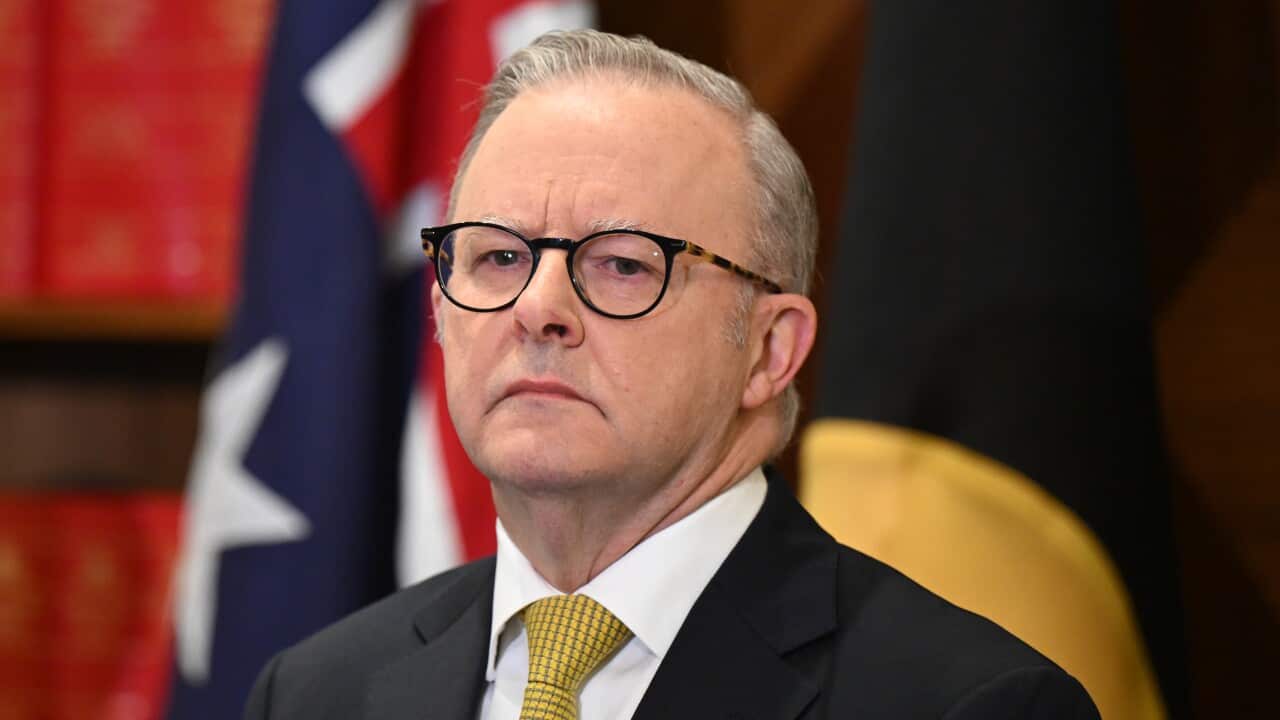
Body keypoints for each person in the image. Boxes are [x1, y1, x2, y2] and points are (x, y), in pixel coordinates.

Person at [243, 29, 1099, 719]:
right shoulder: (317, 694)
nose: (537, 307)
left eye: (622, 264)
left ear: (769, 351)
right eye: (497, 256)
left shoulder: (970, 705)